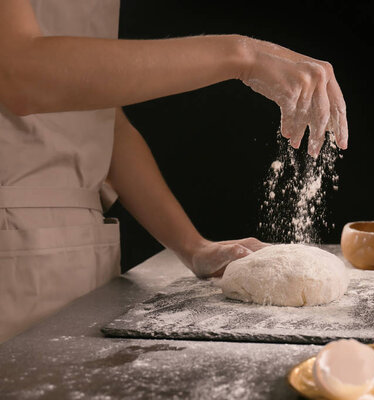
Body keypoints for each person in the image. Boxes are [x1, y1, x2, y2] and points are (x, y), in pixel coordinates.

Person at [0, 0, 348, 343]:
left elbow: (102, 121)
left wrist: (193, 247)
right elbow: (19, 73)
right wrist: (243, 56)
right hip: (12, 248)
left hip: (83, 253)